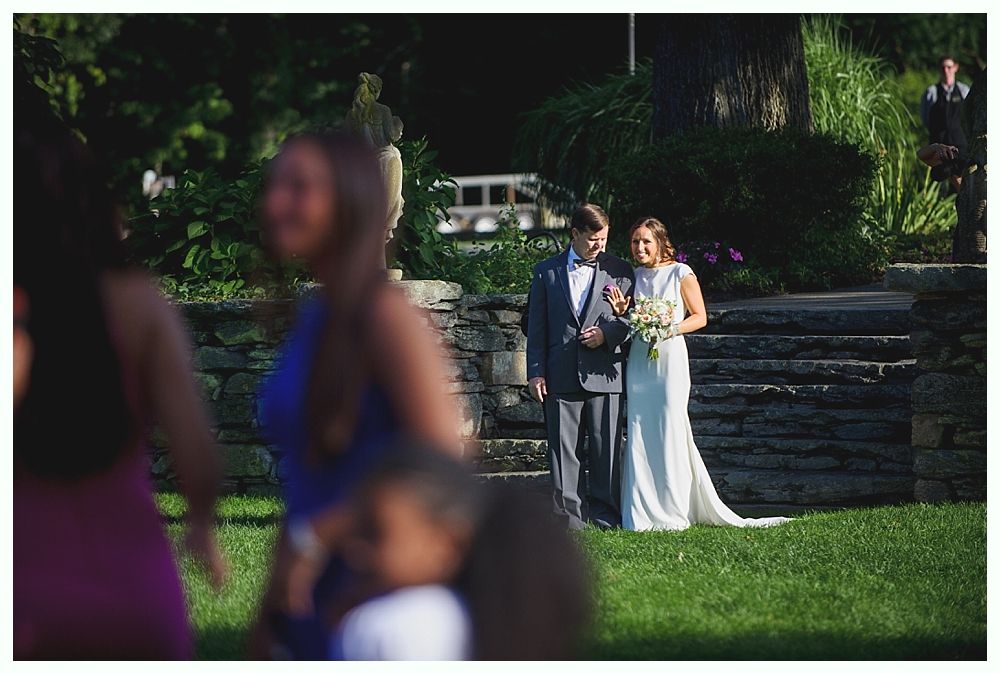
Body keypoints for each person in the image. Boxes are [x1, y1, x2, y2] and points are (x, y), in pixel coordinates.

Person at [14, 108, 225, 659]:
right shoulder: (138, 305)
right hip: (137, 593)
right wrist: (200, 524)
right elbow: (197, 452)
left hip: (25, 600)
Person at [253, 129, 464, 659]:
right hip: (311, 592)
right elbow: (312, 473)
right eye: (276, 184)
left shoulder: (386, 317)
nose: (276, 201)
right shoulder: (319, 316)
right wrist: (267, 615)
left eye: (299, 187)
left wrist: (321, 536)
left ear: (349, 199)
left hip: (381, 596)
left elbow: (441, 464)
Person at [606, 218, 791, 531]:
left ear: (661, 242)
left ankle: (675, 507)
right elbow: (631, 316)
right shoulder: (632, 276)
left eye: (646, 241)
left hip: (670, 359)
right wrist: (625, 312)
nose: (639, 248)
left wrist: (669, 329)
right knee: (639, 427)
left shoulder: (681, 272)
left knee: (670, 426)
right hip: (640, 360)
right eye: (635, 242)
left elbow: (700, 317)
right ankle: (640, 512)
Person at [331, 444, 592, 660]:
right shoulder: (505, 622)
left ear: (448, 545)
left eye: (374, 533)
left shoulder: (385, 628)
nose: (354, 549)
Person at [525, 203, 635, 530]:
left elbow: (632, 319)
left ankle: (605, 517)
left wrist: (606, 334)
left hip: (605, 374)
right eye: (592, 239)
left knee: (606, 452)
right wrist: (535, 371)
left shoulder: (621, 270)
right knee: (563, 453)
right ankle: (569, 521)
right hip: (559, 374)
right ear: (574, 233)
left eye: (603, 239)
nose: (599, 245)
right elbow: (537, 326)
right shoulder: (545, 271)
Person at [920, 56, 971, 157]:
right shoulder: (931, 92)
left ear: (955, 68)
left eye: (949, 67)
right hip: (938, 151)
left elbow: (970, 116)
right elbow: (925, 119)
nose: (946, 70)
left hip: (962, 149)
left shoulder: (964, 90)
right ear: (939, 69)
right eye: (943, 67)